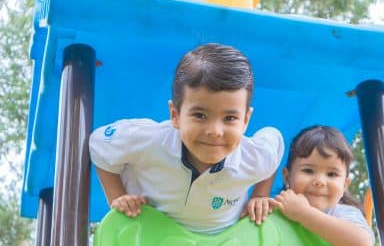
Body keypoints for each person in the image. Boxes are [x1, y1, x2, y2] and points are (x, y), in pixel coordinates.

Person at [89, 43, 284, 234]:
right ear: (175, 115)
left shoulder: (253, 158)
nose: (215, 131)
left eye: (229, 118)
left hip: (218, 243)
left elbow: (274, 142)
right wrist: (118, 197)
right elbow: (99, 144)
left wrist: (260, 195)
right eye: (200, 115)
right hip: (150, 235)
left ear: (246, 120)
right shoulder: (149, 140)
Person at [265, 125, 374, 246]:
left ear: (345, 185)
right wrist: (259, 203)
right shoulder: (277, 210)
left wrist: (304, 213)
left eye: (332, 174)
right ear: (287, 177)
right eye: (308, 171)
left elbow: (363, 245)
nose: (320, 181)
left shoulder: (344, 214)